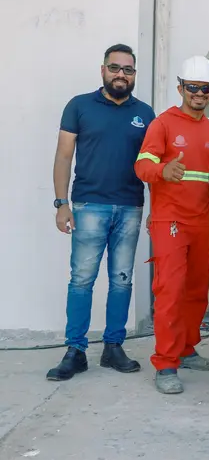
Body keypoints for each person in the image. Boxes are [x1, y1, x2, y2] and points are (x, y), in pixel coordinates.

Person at [47, 44, 155, 381]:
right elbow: (64, 156)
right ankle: (75, 351)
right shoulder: (79, 106)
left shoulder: (145, 114)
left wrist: (156, 209)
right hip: (88, 205)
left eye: (128, 69)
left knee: (122, 281)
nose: (121, 74)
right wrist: (61, 203)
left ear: (134, 75)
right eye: (115, 67)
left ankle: (113, 347)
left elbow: (152, 164)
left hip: (130, 207)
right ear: (103, 70)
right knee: (82, 280)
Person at [135, 56, 209, 394]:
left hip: (201, 219)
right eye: (193, 87)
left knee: (195, 290)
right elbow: (142, 165)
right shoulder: (162, 124)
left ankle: (187, 349)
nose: (199, 93)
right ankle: (166, 364)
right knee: (170, 291)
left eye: (205, 88)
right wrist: (162, 170)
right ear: (180, 88)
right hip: (170, 220)